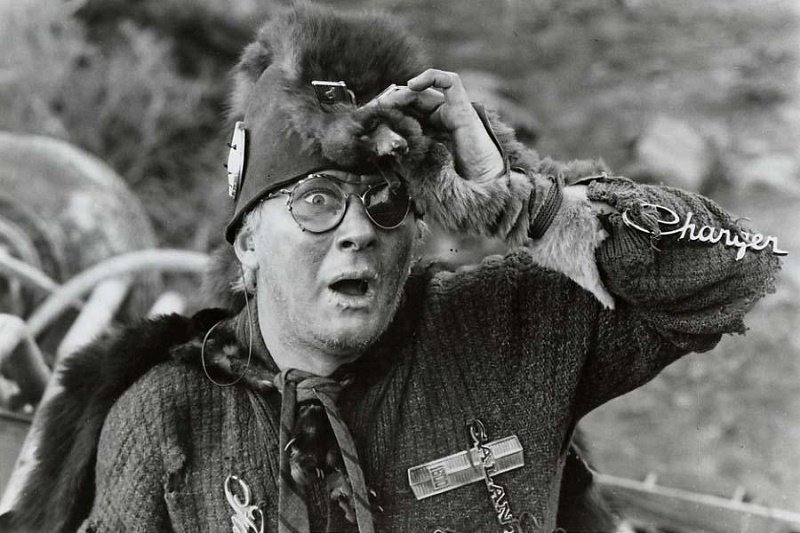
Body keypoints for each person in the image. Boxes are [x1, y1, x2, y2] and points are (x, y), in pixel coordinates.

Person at [5, 5, 782, 533]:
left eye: (383, 200)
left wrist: (528, 197)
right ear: (247, 244)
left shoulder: (510, 330)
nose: (357, 231)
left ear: (415, 230)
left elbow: (736, 267)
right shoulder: (168, 417)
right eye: (316, 201)